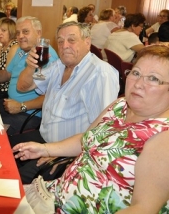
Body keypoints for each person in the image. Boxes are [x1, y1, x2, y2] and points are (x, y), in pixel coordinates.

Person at [14, 45, 169, 213]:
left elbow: (143, 209)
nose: (138, 84)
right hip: (53, 196)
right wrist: (44, 149)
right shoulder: (121, 105)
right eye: (136, 73)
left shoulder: (163, 137)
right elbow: (87, 139)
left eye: (153, 78)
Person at [11, 21, 119, 183]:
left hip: (67, 155)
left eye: (71, 40)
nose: (65, 45)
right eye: (60, 41)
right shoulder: (59, 65)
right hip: (44, 138)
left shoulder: (100, 73)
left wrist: (57, 152)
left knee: (15, 181)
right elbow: (23, 87)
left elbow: (102, 131)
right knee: (1, 149)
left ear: (87, 42)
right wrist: (30, 67)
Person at [0, 16, 59, 135]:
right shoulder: (21, 51)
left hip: (29, 114)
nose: (20, 36)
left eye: (25, 32)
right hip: (10, 104)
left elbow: (52, 95)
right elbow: (7, 74)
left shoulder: (45, 56)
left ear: (38, 33)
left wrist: (21, 106)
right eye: (18, 33)